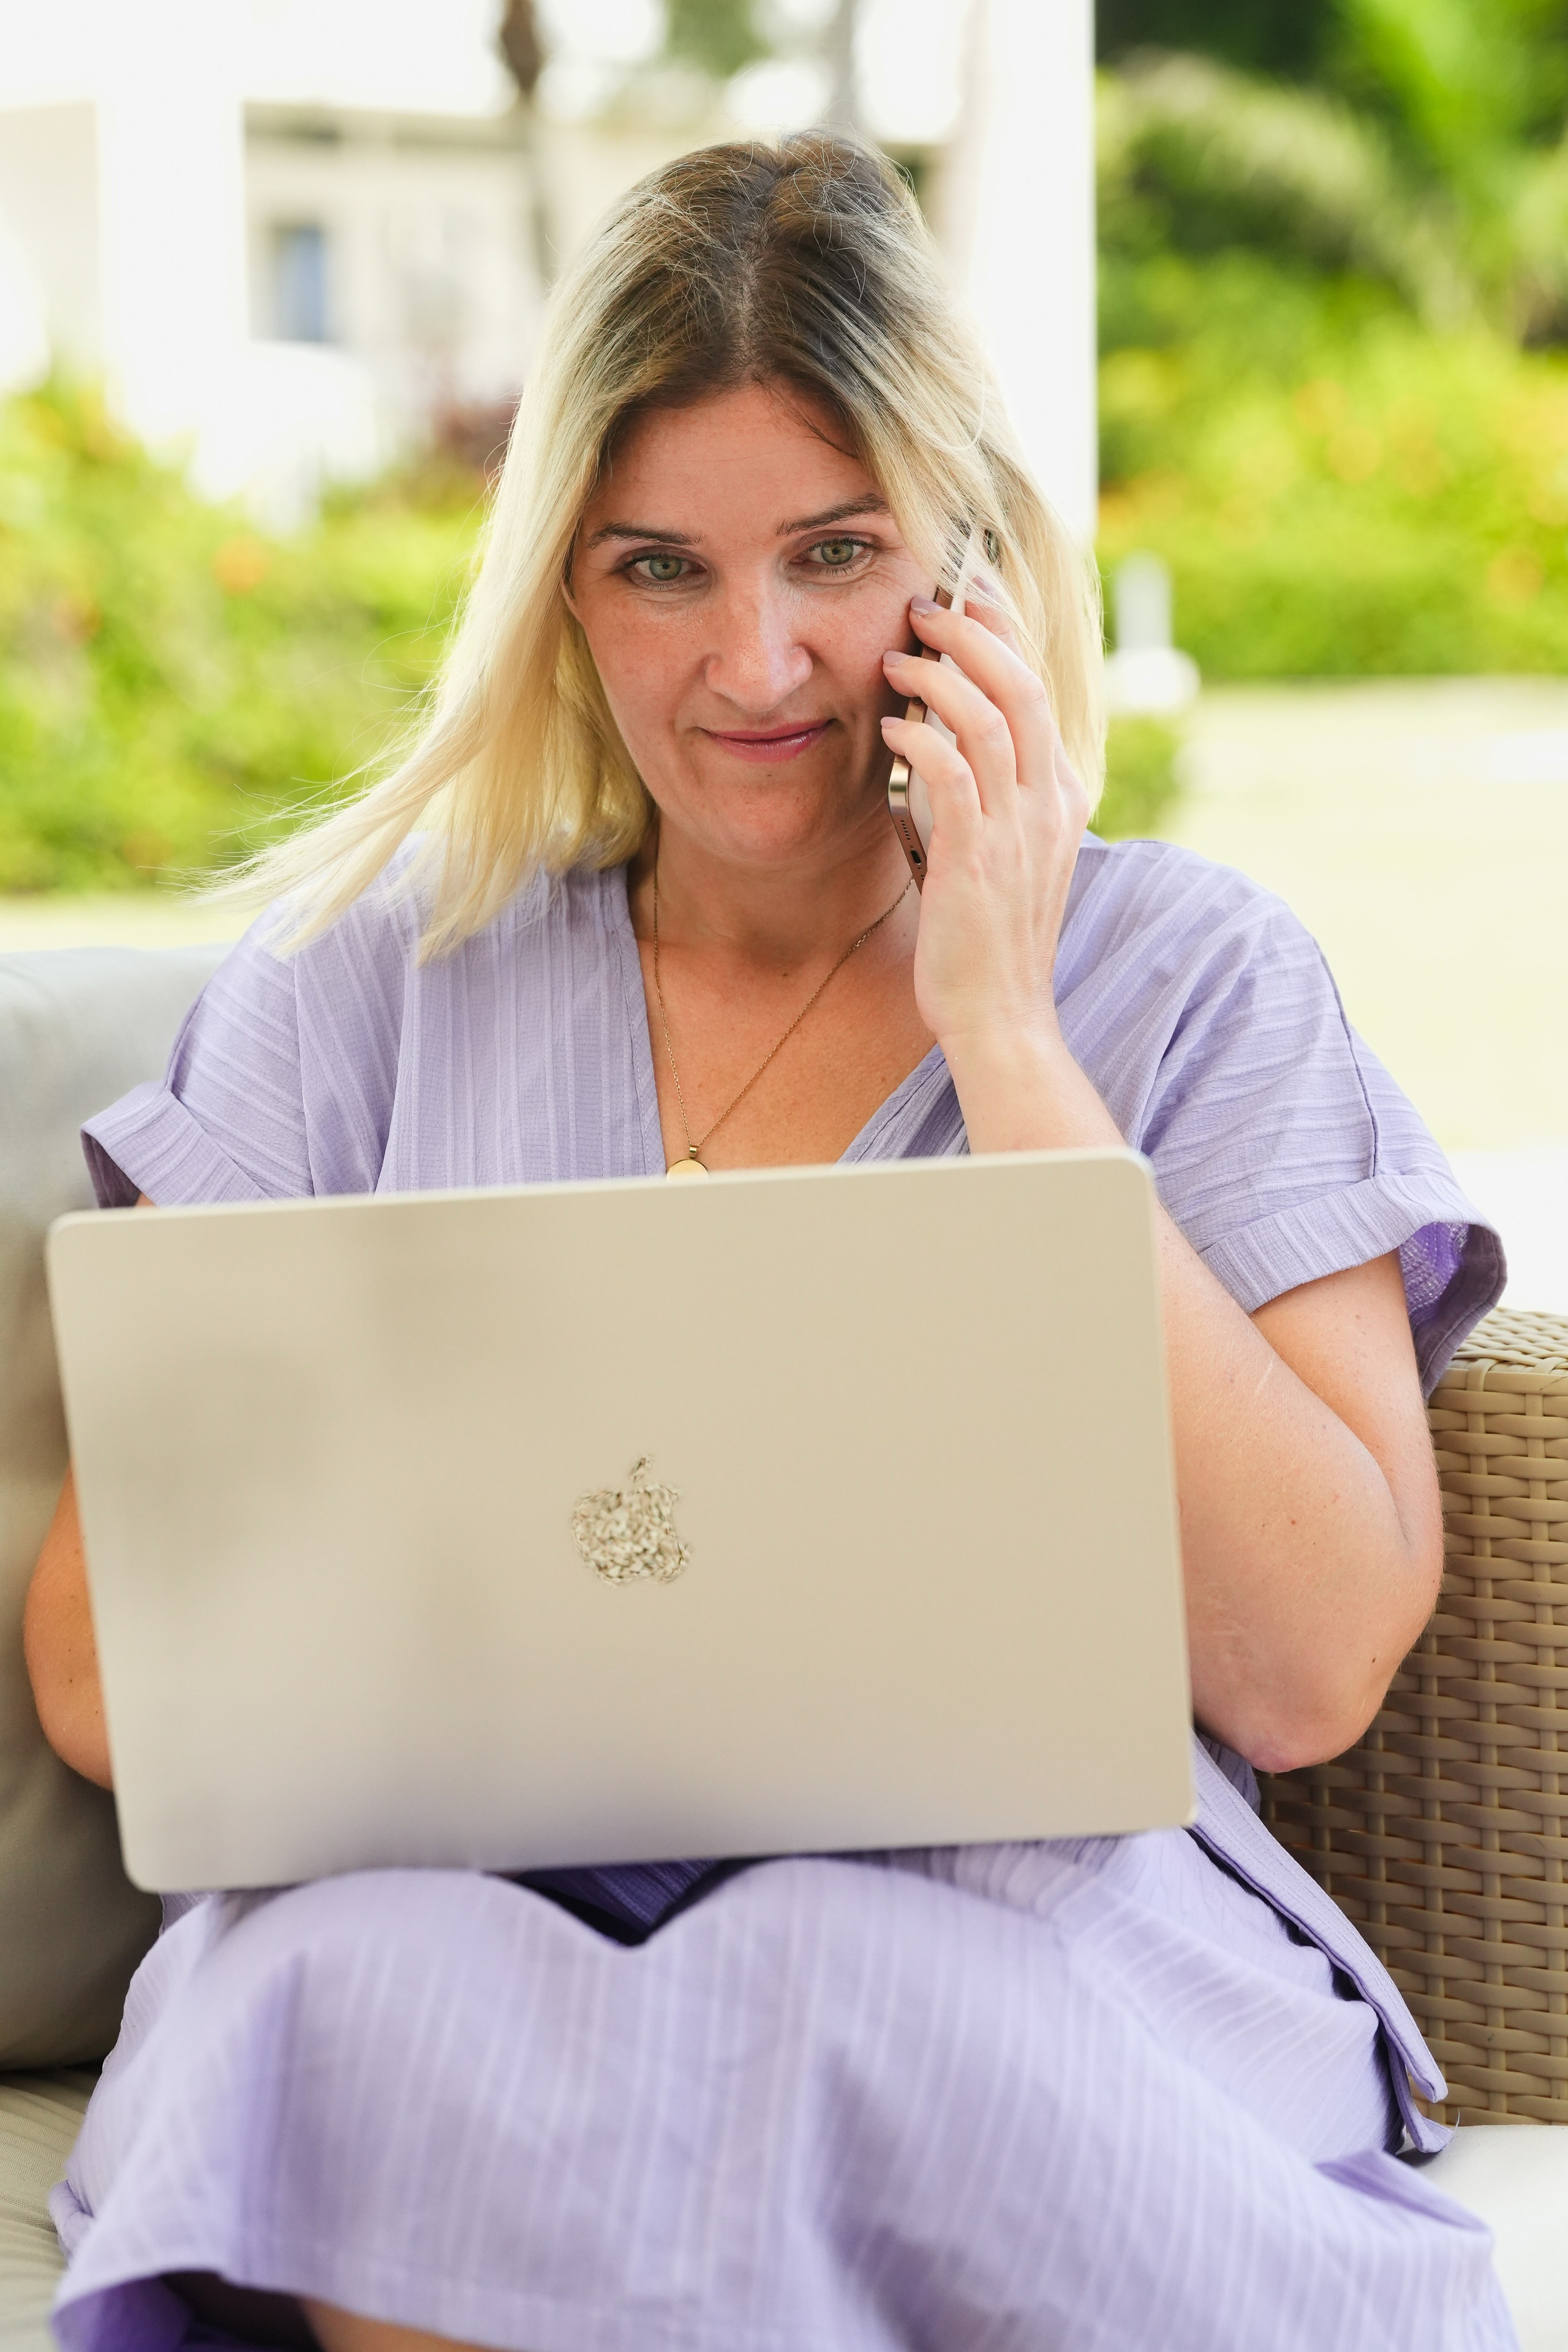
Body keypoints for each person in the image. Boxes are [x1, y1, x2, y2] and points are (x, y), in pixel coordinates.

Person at [24, 137, 1513, 2352]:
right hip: (479, 1912)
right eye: (661, 567)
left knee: (826, 1992)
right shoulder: (367, 995)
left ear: (973, 569)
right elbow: (94, 1673)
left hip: (1014, 1936)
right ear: (560, 594)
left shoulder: (1194, 982)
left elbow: (1309, 1658)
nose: (763, 657)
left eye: (839, 551)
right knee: (346, 1993)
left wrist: (1009, 1037)